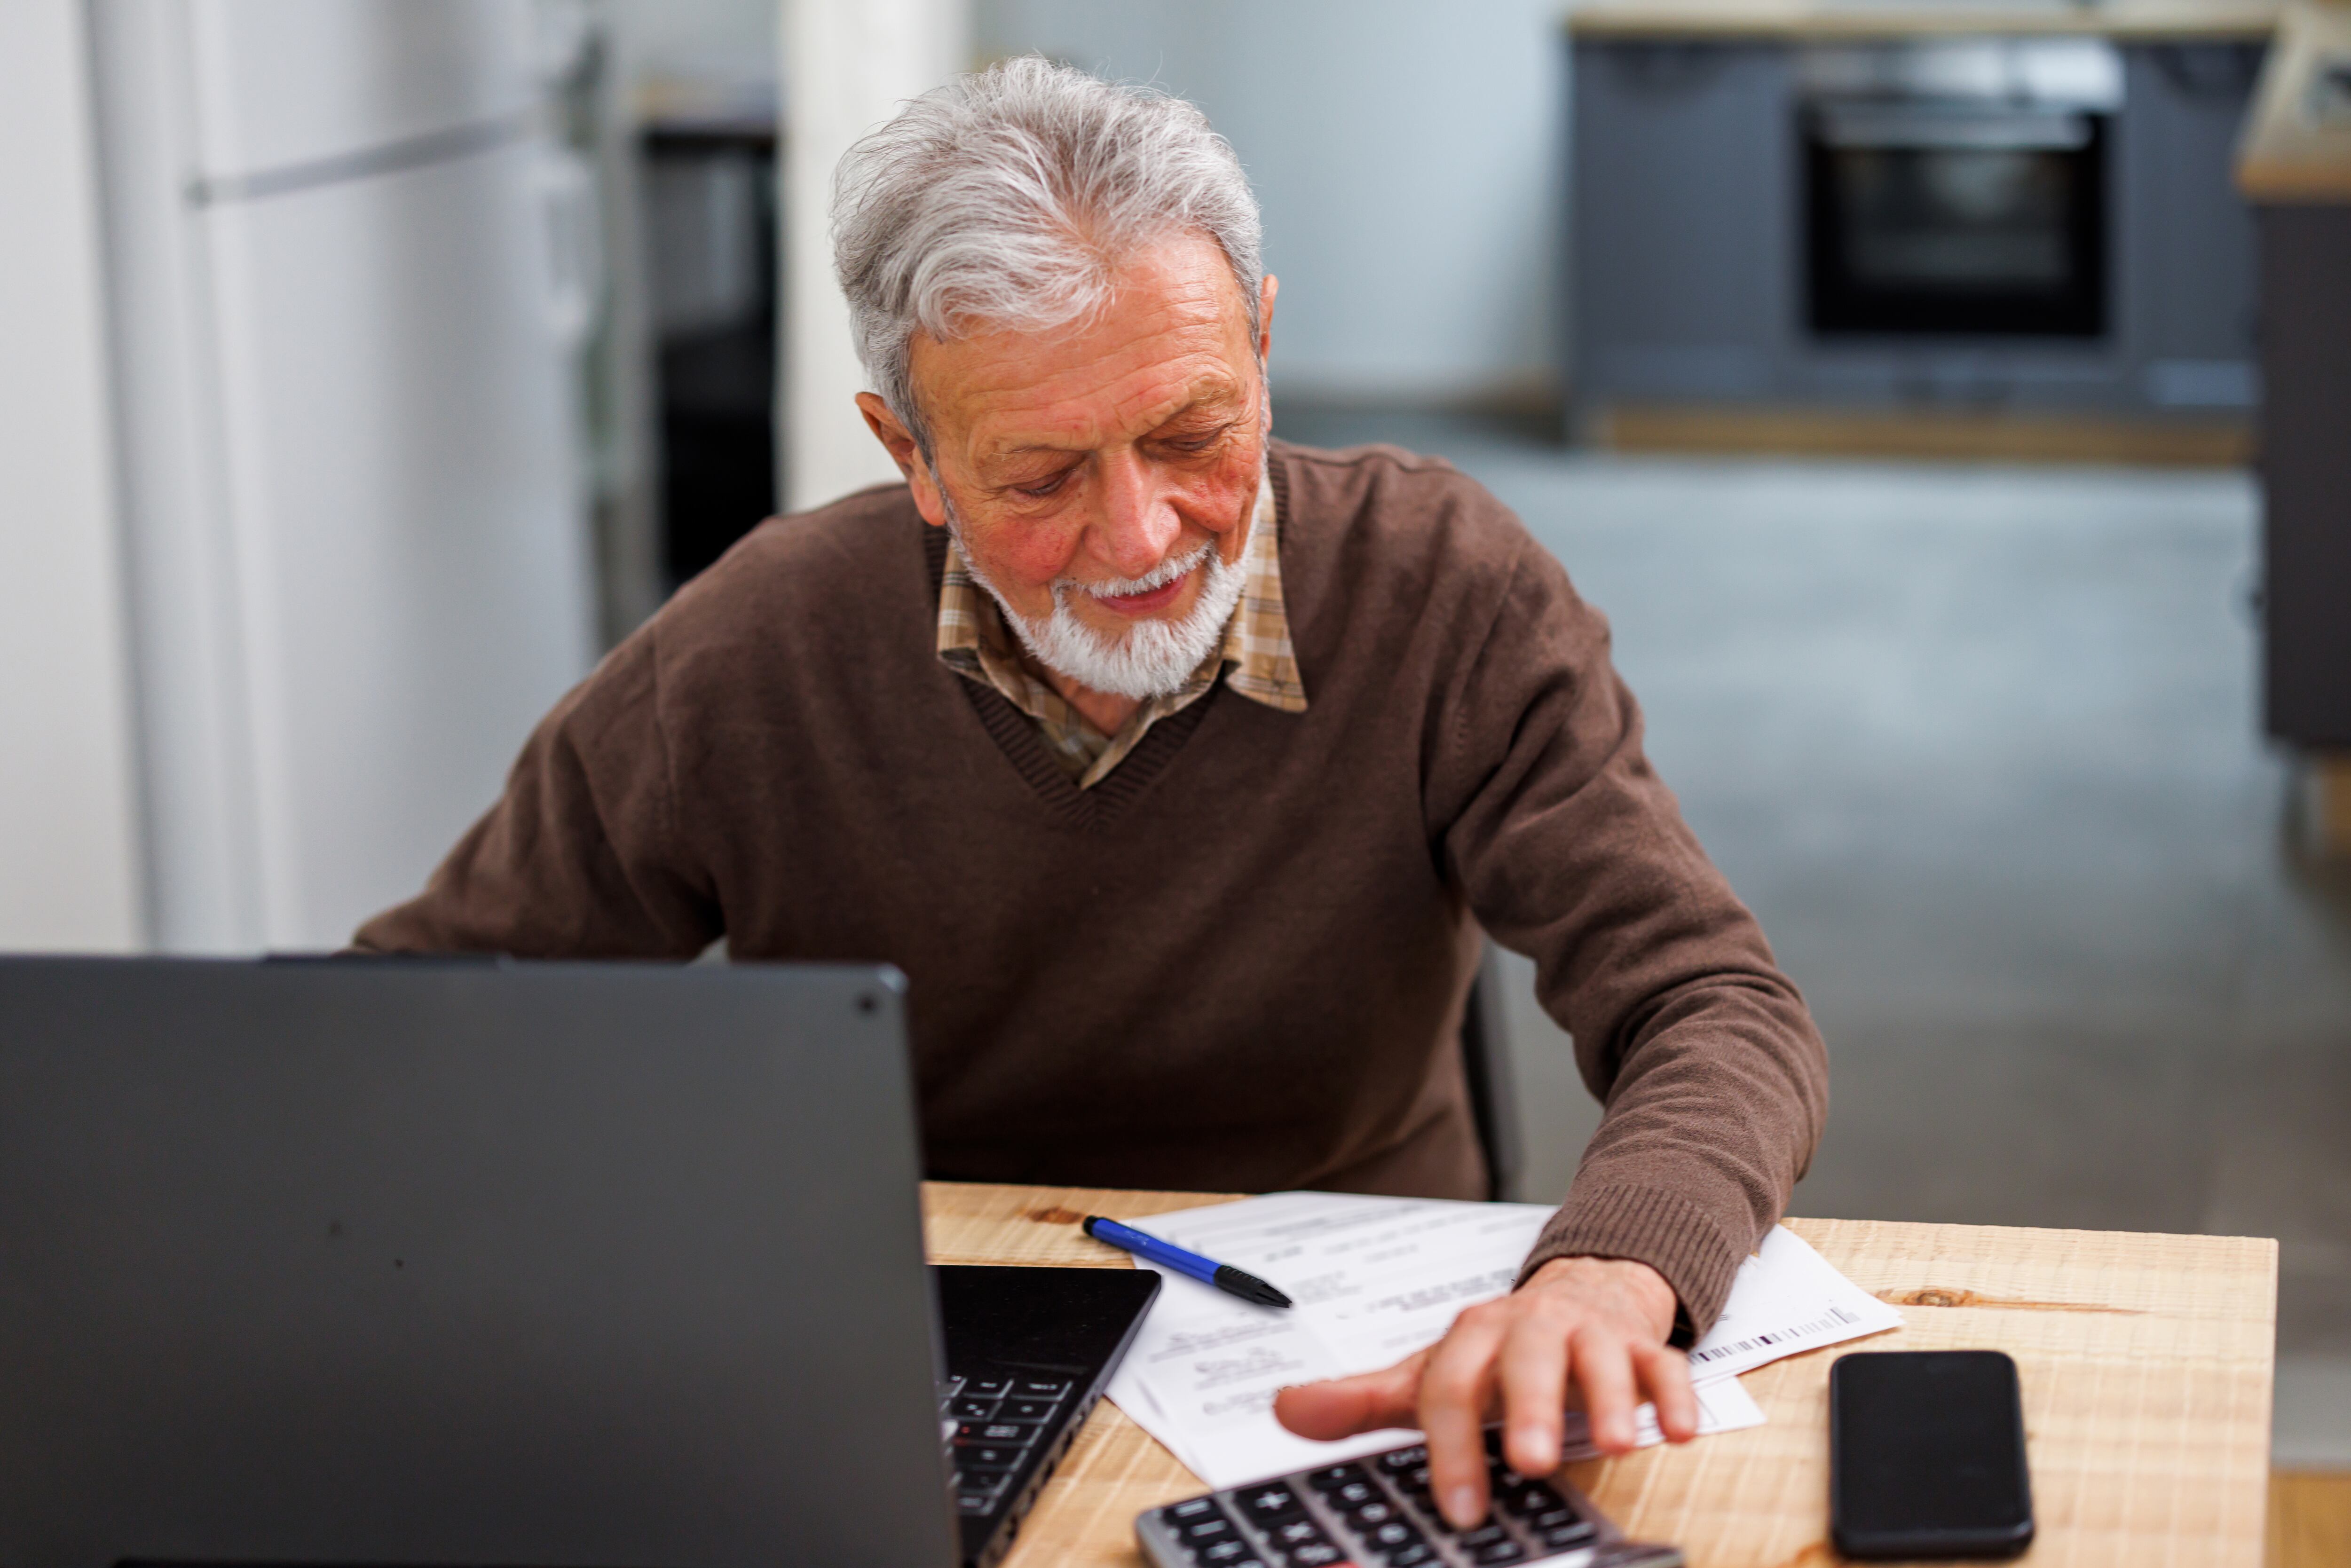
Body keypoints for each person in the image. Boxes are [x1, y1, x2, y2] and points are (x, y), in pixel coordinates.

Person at [355, 57, 1828, 1530]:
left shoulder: (1443, 586)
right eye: (1041, 475)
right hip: (925, 1339)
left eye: (1193, 434)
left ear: (1260, 342)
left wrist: (1610, 1274)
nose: (1139, 534)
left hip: (1360, 1335)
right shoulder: (754, 652)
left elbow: (1713, 1002)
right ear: (910, 456)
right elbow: (411, 1027)